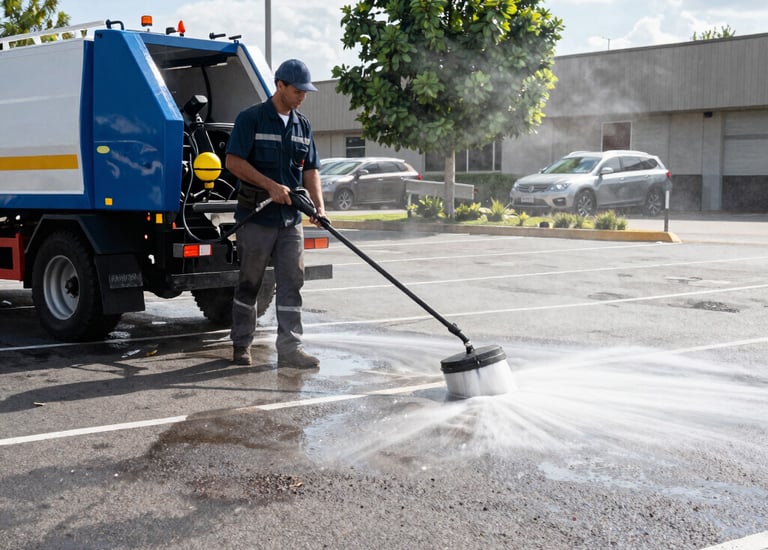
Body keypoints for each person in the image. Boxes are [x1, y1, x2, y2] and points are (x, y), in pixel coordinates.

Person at [225, 58, 326, 368]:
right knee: (251, 282)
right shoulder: (251, 119)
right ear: (280, 85)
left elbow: (310, 169)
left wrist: (318, 206)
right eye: (297, 90)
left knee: (293, 282)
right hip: (257, 216)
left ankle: (290, 348)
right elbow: (233, 162)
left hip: (290, 219)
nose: (302, 96)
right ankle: (241, 344)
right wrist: (270, 185)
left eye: (305, 92)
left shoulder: (303, 125)